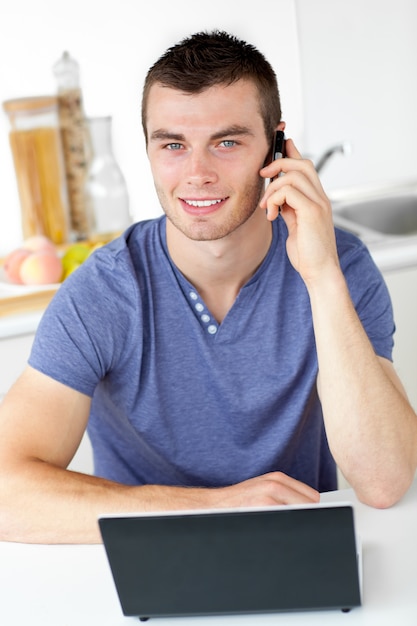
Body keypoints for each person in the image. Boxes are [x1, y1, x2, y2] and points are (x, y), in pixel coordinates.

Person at [0, 31, 416, 545]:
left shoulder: (340, 265)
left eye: (227, 142)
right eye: (173, 145)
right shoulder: (105, 291)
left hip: (293, 549)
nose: (196, 174)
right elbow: (6, 492)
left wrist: (321, 275)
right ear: (149, 150)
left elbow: (384, 481)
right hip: (149, 558)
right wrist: (219, 507)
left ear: (278, 145)